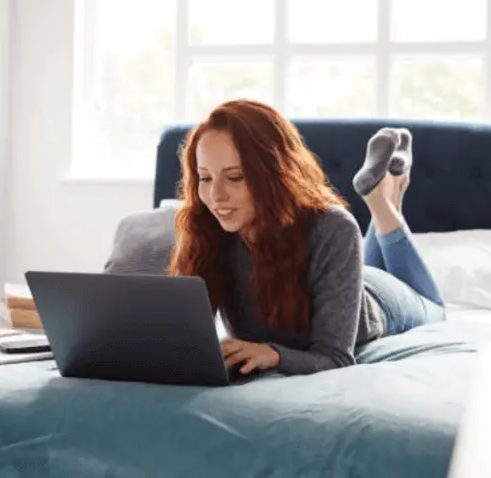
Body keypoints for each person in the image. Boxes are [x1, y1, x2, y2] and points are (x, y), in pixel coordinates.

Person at [169, 99, 446, 377]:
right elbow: (181, 337)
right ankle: (389, 191)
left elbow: (335, 358)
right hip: (346, 272)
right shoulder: (204, 227)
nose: (216, 197)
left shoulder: (333, 227)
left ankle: (382, 201)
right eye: (205, 178)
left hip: (382, 301)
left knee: (435, 307)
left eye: (235, 177)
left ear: (276, 174)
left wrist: (275, 355)